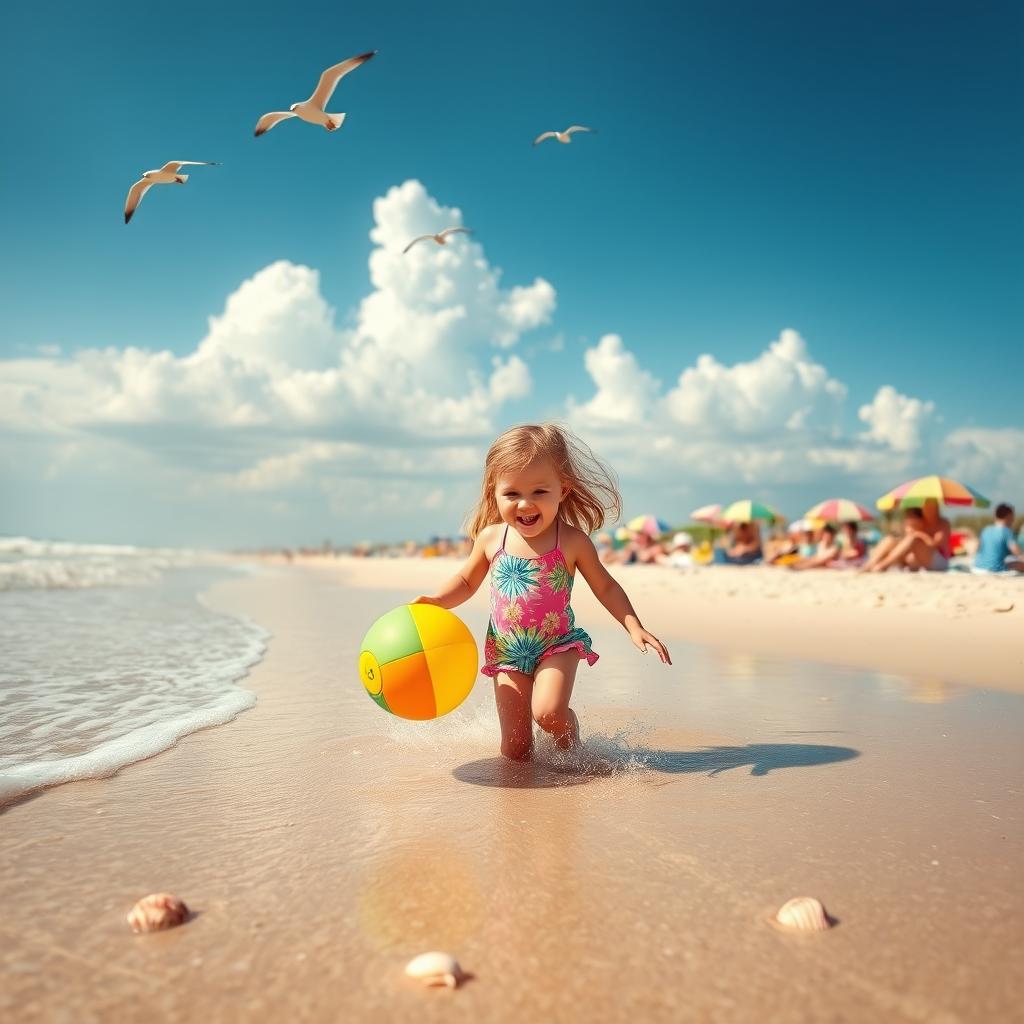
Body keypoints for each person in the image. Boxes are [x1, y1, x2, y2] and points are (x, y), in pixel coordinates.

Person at [413, 423, 671, 761]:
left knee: (548, 713)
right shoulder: (493, 539)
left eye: (539, 492)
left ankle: (572, 750)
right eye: (512, 494)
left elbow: (605, 585)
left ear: (562, 489)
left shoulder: (573, 541)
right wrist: (435, 603)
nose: (525, 504)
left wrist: (633, 626)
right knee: (516, 750)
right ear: (494, 491)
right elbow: (465, 582)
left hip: (556, 645)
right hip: (507, 652)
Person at [860, 506, 949, 573]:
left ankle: (883, 565)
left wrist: (919, 534)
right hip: (917, 561)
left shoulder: (942, 522)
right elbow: (903, 547)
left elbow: (935, 544)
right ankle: (869, 565)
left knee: (913, 539)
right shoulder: (916, 529)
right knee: (889, 539)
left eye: (911, 518)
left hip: (937, 561)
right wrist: (912, 533)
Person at [974, 503, 1024, 573]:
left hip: (977, 567)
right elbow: (1016, 551)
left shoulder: (985, 529)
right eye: (1013, 516)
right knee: (1020, 564)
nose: (1013, 519)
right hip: (993, 569)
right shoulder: (1006, 531)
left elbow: (978, 548)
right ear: (1009, 516)